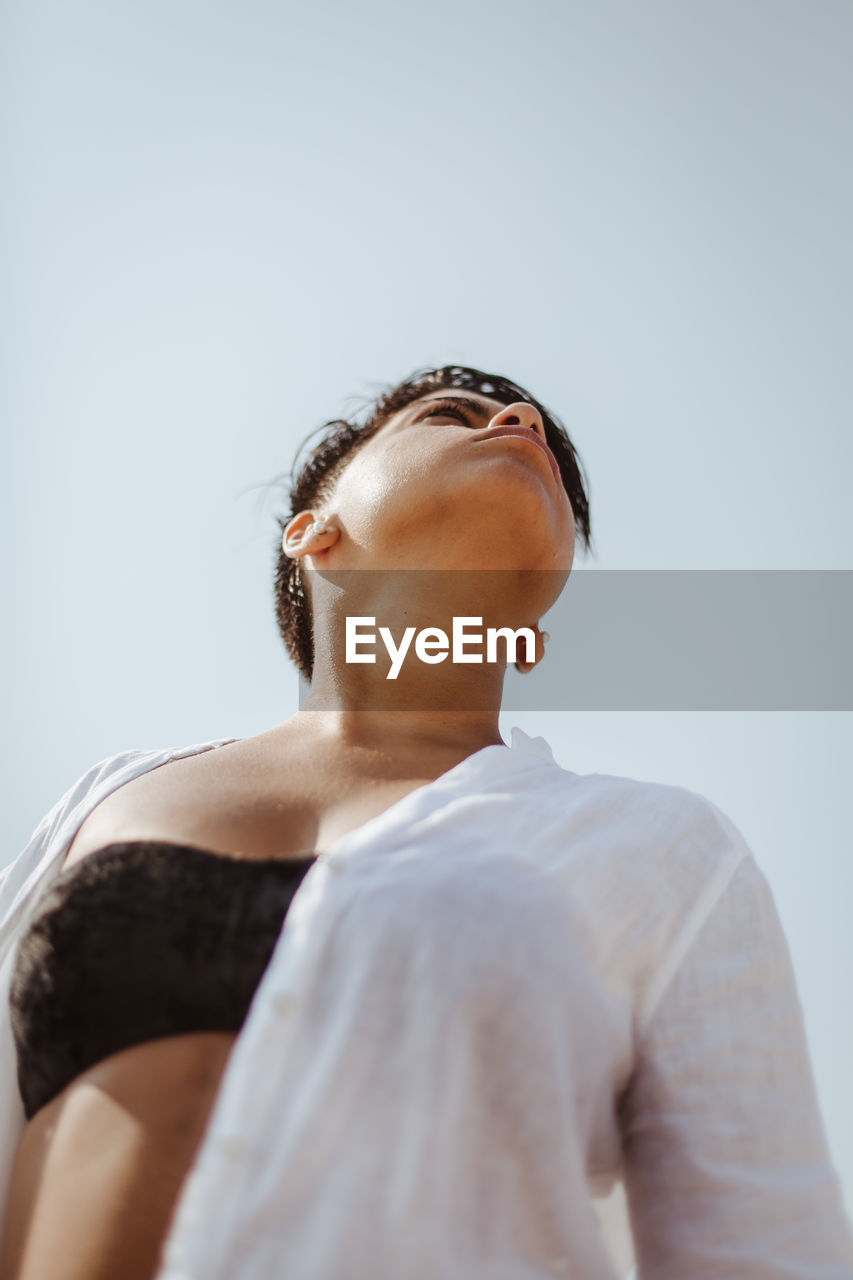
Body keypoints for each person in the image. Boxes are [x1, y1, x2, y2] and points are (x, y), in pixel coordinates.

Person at [0, 363, 851, 1280]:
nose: (517, 418)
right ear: (310, 530)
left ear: (538, 621)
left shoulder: (666, 850)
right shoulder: (107, 799)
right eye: (454, 415)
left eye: (551, 469)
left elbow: (764, 1252)